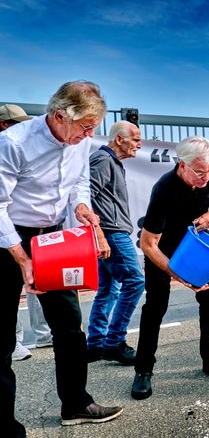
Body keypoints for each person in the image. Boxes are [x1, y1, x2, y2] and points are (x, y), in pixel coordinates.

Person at [0, 82, 123, 434]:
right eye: (85, 126)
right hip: (9, 238)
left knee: (69, 327)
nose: (89, 135)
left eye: (94, 127)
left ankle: (76, 403)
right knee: (2, 339)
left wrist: (82, 208)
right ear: (58, 116)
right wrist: (23, 260)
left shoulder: (80, 142)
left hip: (53, 237)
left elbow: (77, 184)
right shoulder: (13, 143)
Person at [131, 136, 209, 401]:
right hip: (163, 246)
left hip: (194, 244)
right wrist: (180, 276)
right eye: (199, 172)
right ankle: (143, 370)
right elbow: (148, 244)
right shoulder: (164, 189)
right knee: (156, 306)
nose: (205, 178)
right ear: (181, 165)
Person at [86, 121, 145, 365]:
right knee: (135, 281)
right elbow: (84, 197)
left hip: (110, 233)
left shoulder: (112, 162)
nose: (139, 144)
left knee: (109, 288)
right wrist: (99, 234)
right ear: (119, 139)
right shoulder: (103, 159)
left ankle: (96, 344)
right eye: (135, 139)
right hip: (111, 233)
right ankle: (114, 343)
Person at [0, 105, 53, 362]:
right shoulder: (9, 146)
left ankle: (25, 337)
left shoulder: (20, 148)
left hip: (18, 228)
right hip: (7, 231)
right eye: (16, 123)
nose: (23, 127)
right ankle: (14, 340)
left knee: (33, 282)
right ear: (3, 124)